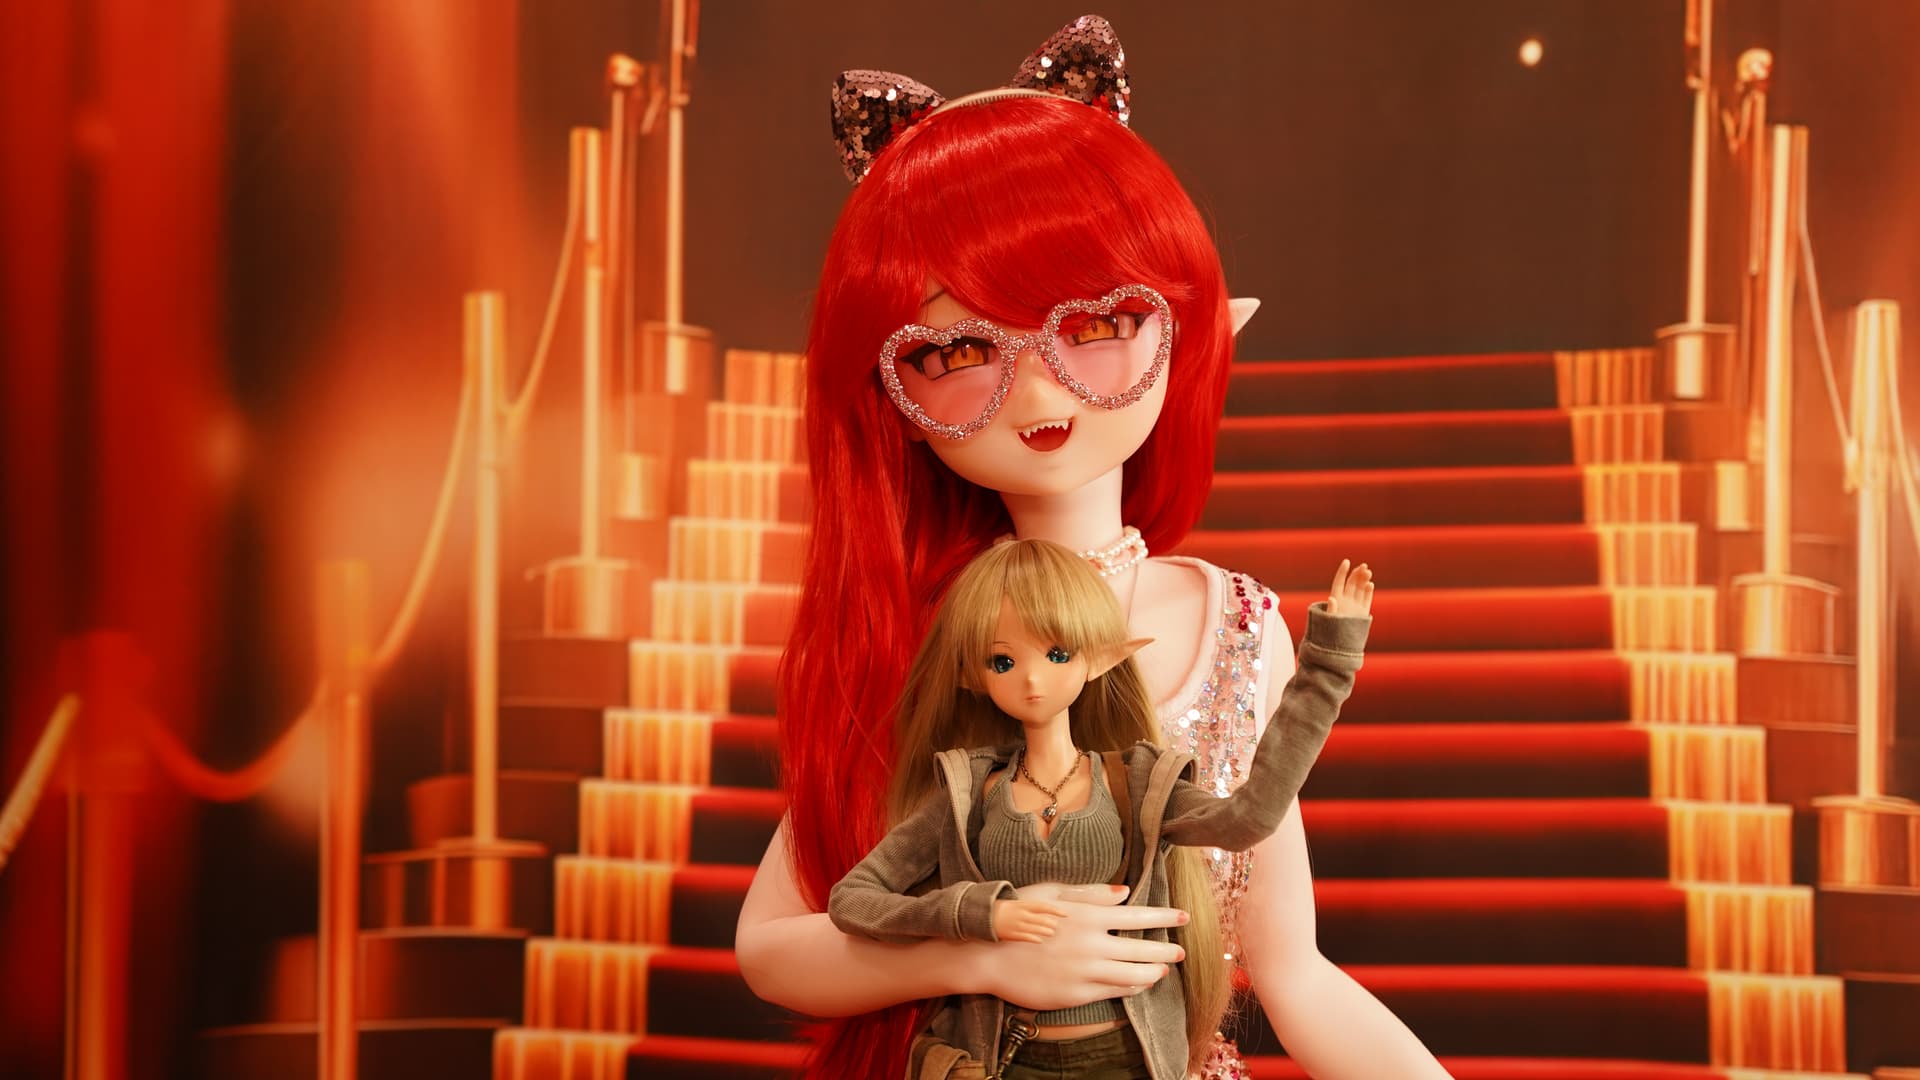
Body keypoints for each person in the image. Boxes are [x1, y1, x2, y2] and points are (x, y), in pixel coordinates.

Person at [736, 14, 1450, 1078]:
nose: (1037, 391)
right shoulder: (926, 636)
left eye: (1096, 326)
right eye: (959, 352)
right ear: (892, 400)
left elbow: (1293, 971)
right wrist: (984, 955)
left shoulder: (1238, 629)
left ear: (1182, 329)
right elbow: (772, 946)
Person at [827, 539, 1373, 1079]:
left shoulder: (1136, 785)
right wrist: (976, 913)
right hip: (1005, 1061)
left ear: (1099, 659)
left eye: (1057, 654)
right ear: (973, 675)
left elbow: (1247, 819)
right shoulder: (967, 794)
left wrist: (1327, 667)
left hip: (1124, 1060)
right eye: (1003, 661)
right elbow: (853, 901)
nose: (1032, 679)